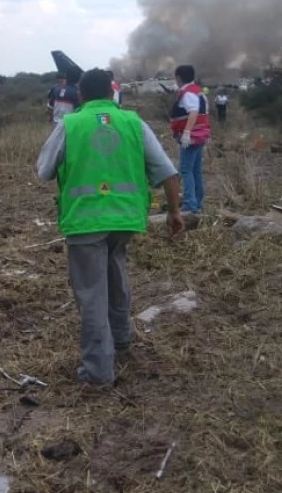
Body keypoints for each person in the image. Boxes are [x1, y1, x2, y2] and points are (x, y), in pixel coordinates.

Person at [36, 69, 185, 387]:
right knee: (116, 276)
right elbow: (167, 172)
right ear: (111, 92)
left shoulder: (70, 124)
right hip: (127, 219)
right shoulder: (134, 122)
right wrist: (174, 212)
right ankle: (121, 339)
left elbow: (44, 171)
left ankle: (98, 372)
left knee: (91, 294)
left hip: (85, 221)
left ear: (82, 95)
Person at [170, 64, 211, 215]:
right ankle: (197, 203)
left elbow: (193, 112)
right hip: (200, 135)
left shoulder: (188, 93)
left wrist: (187, 132)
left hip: (192, 137)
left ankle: (190, 205)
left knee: (186, 170)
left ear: (179, 78)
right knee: (195, 170)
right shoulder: (198, 91)